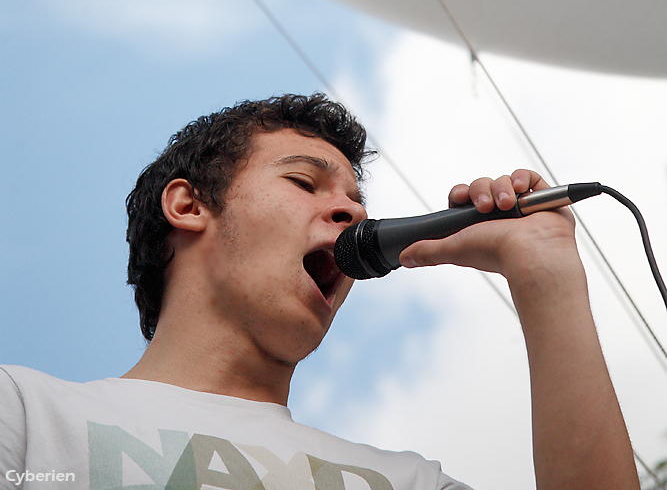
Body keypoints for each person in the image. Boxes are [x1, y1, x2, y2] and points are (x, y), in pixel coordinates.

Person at [0, 93, 639, 490]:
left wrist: (546, 276)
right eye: (306, 183)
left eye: (357, 202)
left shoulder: (409, 481)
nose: (351, 215)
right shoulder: (27, 415)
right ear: (189, 205)